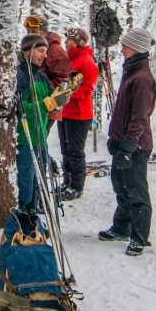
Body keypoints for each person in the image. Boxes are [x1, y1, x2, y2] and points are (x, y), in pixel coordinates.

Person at [100, 27, 156, 256]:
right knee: (120, 185)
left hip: (136, 145)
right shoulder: (131, 72)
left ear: (136, 49)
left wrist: (129, 146)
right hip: (124, 141)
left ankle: (139, 236)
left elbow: (140, 115)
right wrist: (115, 139)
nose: (121, 49)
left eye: (125, 46)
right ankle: (122, 227)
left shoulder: (142, 78)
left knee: (136, 190)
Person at [56, 28, 99, 202]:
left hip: (79, 115)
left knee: (75, 151)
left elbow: (88, 89)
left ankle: (76, 186)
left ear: (79, 42)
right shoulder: (69, 59)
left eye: (70, 40)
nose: (66, 42)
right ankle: (67, 182)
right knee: (66, 150)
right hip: (65, 112)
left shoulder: (87, 61)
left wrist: (67, 92)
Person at [12, 34, 54, 212]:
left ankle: (33, 210)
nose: (44, 55)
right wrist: (46, 104)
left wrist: (65, 93)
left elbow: (52, 100)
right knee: (26, 180)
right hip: (24, 137)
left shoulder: (42, 77)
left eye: (45, 51)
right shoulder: (20, 75)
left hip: (40, 136)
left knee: (39, 178)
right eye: (40, 51)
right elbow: (19, 107)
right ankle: (24, 213)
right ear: (26, 51)